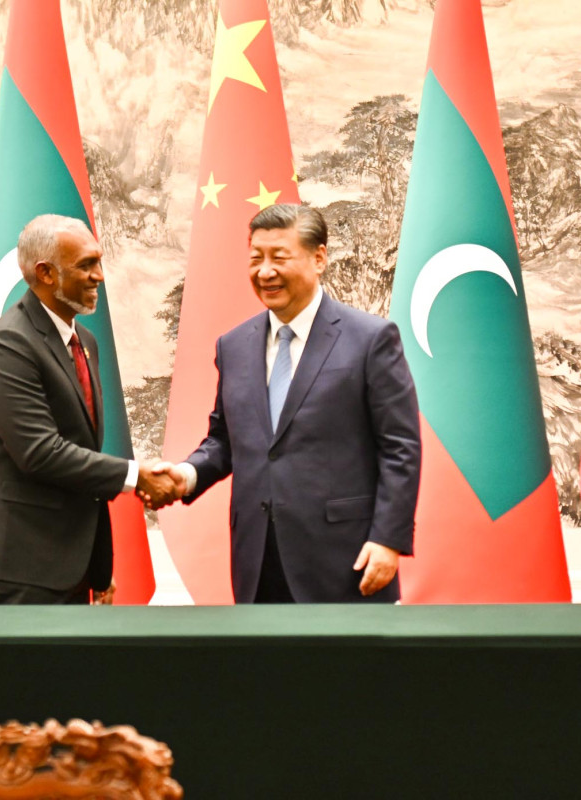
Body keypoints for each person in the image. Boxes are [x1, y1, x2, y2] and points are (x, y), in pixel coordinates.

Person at [156, 204, 421, 603]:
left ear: (319, 258)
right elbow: (225, 440)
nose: (265, 272)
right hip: (257, 561)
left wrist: (388, 539)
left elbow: (400, 448)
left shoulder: (371, 339)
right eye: (255, 259)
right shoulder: (233, 346)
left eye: (279, 257)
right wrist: (186, 475)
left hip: (348, 560)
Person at [0, 214, 174, 605]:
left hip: (68, 565)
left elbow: (82, 448)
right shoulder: (8, 345)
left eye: (99, 263)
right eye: (86, 265)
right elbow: (40, 452)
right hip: (19, 564)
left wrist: (98, 569)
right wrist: (135, 476)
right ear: (46, 274)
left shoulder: (83, 340)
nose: (99, 276)